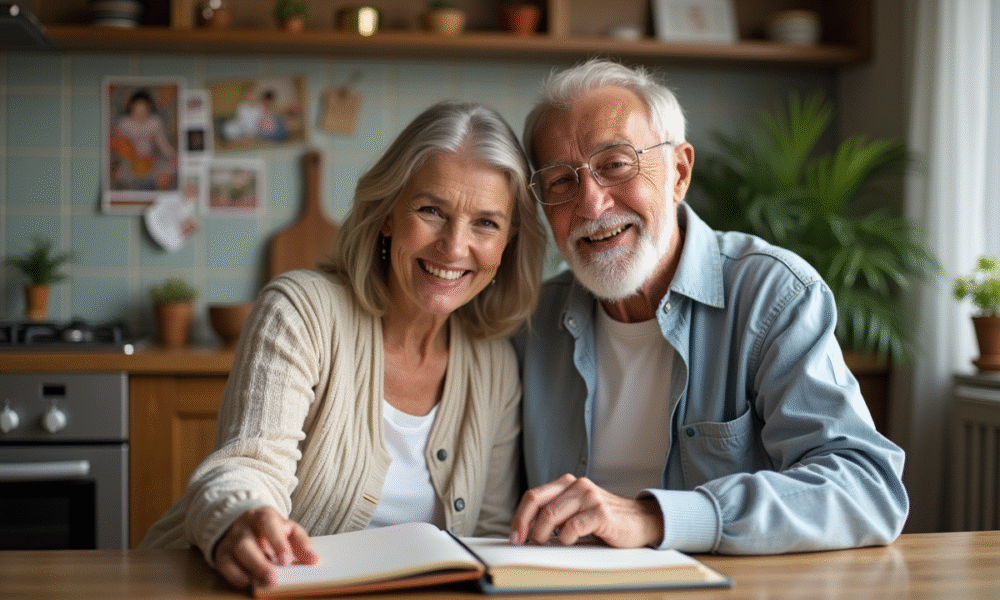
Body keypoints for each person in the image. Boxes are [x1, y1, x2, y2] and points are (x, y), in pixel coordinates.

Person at [139, 101, 547, 589]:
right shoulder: (301, 312)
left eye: (486, 222)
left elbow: (488, 538)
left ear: (508, 242)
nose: (455, 247)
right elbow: (248, 465)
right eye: (431, 210)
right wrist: (242, 516)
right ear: (388, 215)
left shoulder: (495, 364)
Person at [510, 59, 909, 555]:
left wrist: (656, 517)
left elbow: (866, 487)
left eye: (615, 165)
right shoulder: (530, 322)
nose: (591, 204)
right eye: (561, 182)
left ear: (678, 172)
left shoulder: (772, 295)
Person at [110, 88, 178, 190]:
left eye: (144, 108)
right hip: (130, 163)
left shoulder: (154, 122)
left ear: (149, 107)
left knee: (170, 170)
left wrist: (172, 155)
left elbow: (163, 144)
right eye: (138, 108)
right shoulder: (124, 123)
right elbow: (118, 146)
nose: (140, 112)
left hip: (151, 162)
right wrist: (131, 155)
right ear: (132, 107)